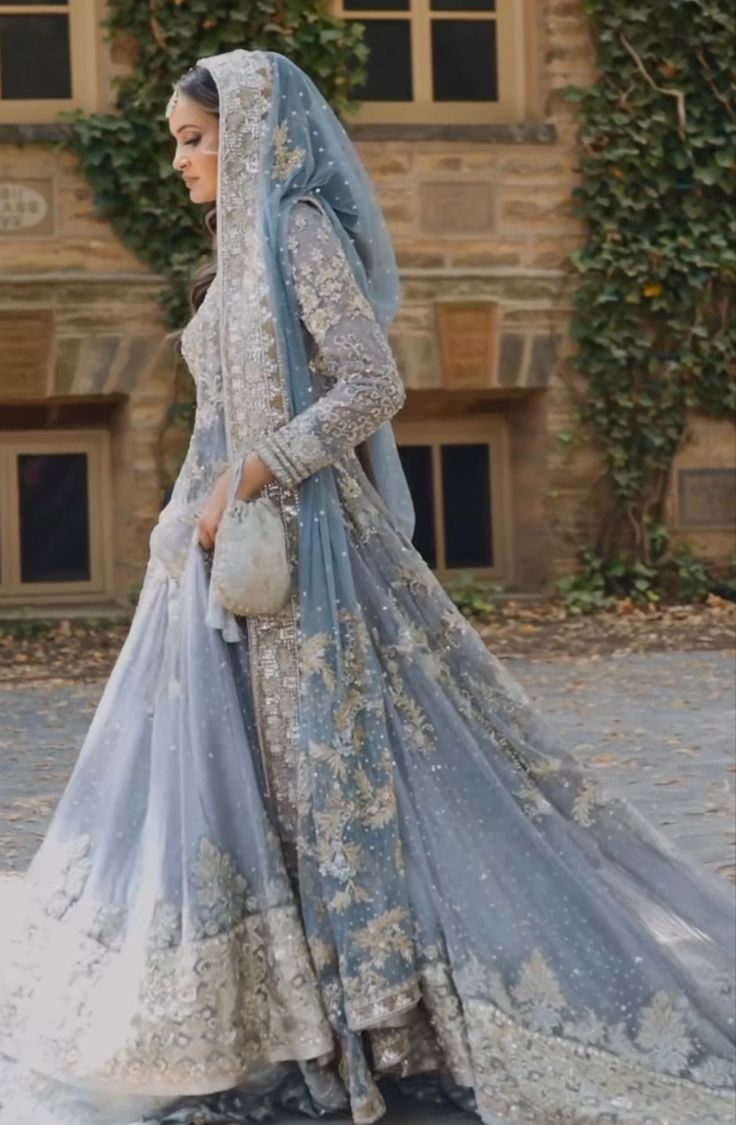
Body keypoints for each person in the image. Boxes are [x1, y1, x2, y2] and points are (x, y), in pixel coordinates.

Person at [0, 48, 734, 1125]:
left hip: (307, 559)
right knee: (244, 791)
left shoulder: (296, 230)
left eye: (194, 139)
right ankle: (273, 1020)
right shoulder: (233, 247)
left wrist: (258, 470)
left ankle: (372, 1019)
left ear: (248, 135)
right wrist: (190, 515)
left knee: (326, 781)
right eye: (172, 140)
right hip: (221, 563)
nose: (179, 161)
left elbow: (370, 384)